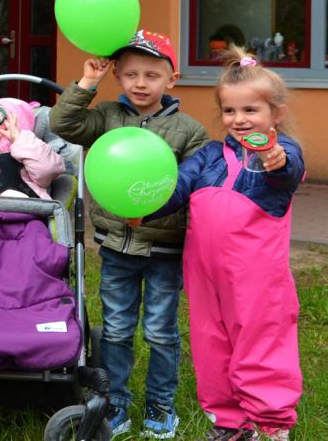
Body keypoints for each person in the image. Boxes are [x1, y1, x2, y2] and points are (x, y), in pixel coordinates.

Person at [49, 30, 208, 439]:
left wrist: (153, 213)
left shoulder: (190, 132)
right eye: (131, 74)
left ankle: (161, 404)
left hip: (164, 249)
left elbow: (193, 190)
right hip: (116, 247)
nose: (141, 83)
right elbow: (62, 123)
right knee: (116, 329)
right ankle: (116, 403)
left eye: (152, 75)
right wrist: (87, 82)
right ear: (117, 75)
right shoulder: (104, 117)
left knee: (160, 330)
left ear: (172, 80)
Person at [139, 48, 302, 441]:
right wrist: (143, 208)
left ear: (275, 114)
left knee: (260, 344)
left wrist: (275, 157)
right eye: (229, 111)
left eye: (250, 110)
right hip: (205, 276)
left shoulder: (282, 152)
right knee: (211, 345)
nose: (239, 120)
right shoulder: (210, 155)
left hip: (257, 279)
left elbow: (287, 173)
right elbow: (176, 188)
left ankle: (271, 423)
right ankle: (230, 423)